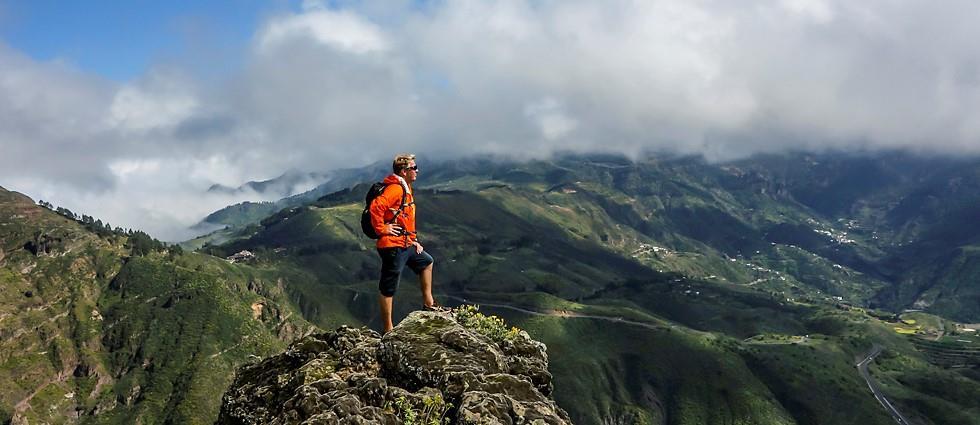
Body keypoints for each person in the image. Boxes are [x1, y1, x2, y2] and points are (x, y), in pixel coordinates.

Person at [370, 153, 445, 333]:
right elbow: (376, 207)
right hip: (393, 245)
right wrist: (382, 229)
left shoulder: (405, 187)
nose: (417, 171)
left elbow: (405, 219)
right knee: (389, 287)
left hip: (405, 242)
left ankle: (429, 304)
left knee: (426, 262)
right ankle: (388, 329)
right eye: (414, 168)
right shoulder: (395, 189)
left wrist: (413, 240)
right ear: (404, 171)